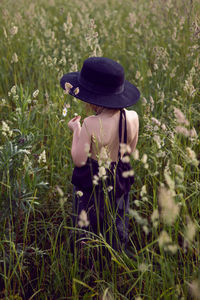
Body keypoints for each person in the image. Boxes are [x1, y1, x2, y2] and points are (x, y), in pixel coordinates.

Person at [60, 57, 140, 250]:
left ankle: (85, 252)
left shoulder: (90, 123)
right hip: (119, 177)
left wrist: (76, 130)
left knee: (87, 222)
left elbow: (79, 160)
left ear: (93, 99)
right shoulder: (132, 117)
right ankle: (116, 251)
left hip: (93, 179)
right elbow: (130, 151)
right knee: (117, 217)